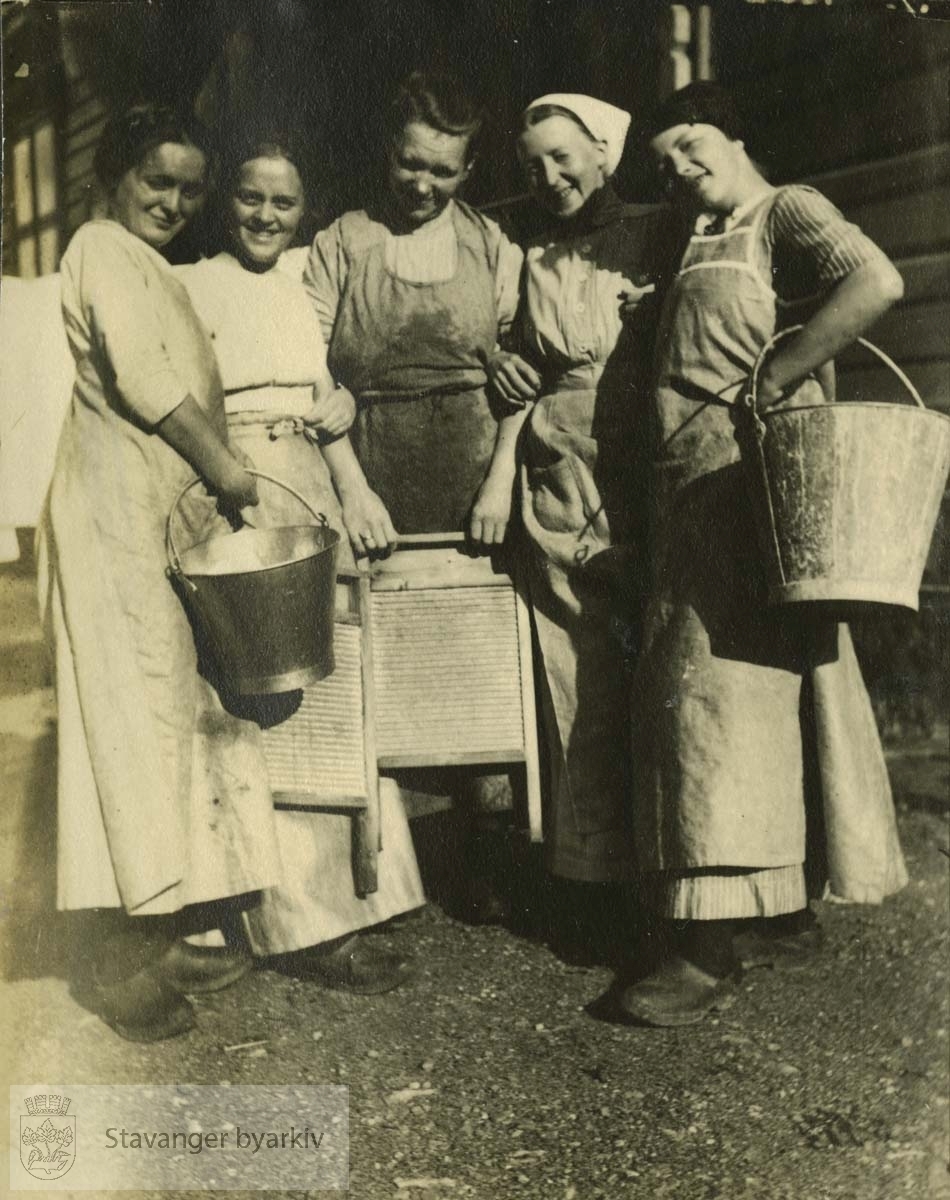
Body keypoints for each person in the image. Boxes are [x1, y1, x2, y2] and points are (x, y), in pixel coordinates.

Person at [621, 82, 908, 1026]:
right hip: (690, 492)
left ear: (735, 134)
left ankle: (707, 949)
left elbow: (878, 281)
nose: (680, 170)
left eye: (692, 145)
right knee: (754, 698)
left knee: (718, 706)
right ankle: (780, 911)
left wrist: (783, 372)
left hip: (750, 491)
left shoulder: (784, 212)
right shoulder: (694, 237)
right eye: (664, 163)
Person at [36, 103, 278, 1042]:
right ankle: (110, 958)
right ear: (114, 177)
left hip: (151, 521)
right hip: (109, 520)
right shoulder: (99, 245)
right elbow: (141, 379)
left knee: (162, 721)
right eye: (156, 181)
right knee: (122, 727)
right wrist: (225, 467)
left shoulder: (152, 264)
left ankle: (157, 920)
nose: (173, 200)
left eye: (188, 187)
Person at [178, 131, 424, 990]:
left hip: (311, 486)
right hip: (231, 491)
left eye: (284, 202)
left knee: (328, 692)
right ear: (226, 200)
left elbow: (324, 407)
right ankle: (263, 916)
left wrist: (355, 491)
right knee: (251, 700)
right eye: (252, 197)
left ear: (303, 212)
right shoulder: (189, 285)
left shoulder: (300, 287)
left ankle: (343, 906)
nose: (267, 215)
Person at [301, 71, 525, 919]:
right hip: (370, 477)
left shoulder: (493, 246)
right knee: (367, 669)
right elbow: (308, 370)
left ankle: (487, 858)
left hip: (473, 485)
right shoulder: (342, 242)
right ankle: (373, 866)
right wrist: (350, 487)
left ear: (467, 172)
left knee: (476, 665)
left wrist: (502, 472)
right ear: (387, 155)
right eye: (409, 165)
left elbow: (521, 375)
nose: (422, 185)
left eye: (442, 171)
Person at [486, 95, 663, 921]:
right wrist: (504, 364)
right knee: (579, 672)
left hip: (646, 459)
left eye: (563, 157)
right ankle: (594, 882)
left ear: (604, 153)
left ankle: (677, 871)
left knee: (658, 668)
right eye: (532, 165)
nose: (548, 177)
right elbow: (504, 343)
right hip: (560, 471)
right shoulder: (524, 253)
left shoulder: (659, 231)